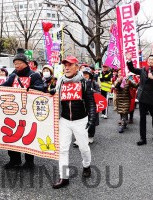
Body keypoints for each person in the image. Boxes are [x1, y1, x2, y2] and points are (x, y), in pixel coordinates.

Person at [51, 56, 96, 189]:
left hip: (81, 120)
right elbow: (53, 93)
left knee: (84, 148)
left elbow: (91, 103)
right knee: (63, 149)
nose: (67, 68)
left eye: (70, 65)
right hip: (64, 120)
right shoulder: (60, 82)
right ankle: (64, 177)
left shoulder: (85, 82)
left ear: (77, 67)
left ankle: (86, 165)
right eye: (65, 65)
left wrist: (92, 118)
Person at [1, 48, 44, 169]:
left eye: (19, 63)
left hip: (28, 112)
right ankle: (14, 159)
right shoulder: (13, 76)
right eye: (15, 63)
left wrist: (31, 89)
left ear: (26, 63)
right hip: (13, 111)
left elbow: (42, 88)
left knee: (28, 135)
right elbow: (2, 88)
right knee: (12, 134)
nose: (17, 65)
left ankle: (29, 161)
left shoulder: (34, 75)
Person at [126, 53, 153, 146]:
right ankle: (142, 138)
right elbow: (132, 69)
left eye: (152, 59)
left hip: (152, 98)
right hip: (142, 97)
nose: (150, 61)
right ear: (147, 61)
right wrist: (129, 61)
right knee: (142, 119)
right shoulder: (143, 70)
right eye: (149, 59)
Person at [82, 67, 99, 143]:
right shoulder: (80, 83)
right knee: (81, 122)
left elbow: (99, 94)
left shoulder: (94, 83)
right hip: (82, 105)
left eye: (86, 74)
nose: (85, 76)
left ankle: (91, 135)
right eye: (84, 74)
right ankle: (80, 137)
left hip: (92, 105)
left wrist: (92, 91)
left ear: (90, 75)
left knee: (92, 121)